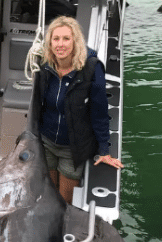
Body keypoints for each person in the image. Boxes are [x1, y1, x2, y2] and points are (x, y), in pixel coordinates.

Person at [38, 15, 123, 204]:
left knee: (64, 201)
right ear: (50, 42)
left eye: (66, 38)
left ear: (75, 41)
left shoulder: (91, 69)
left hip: (73, 148)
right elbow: (37, 106)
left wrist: (104, 150)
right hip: (46, 143)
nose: (61, 44)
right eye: (56, 38)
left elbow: (100, 113)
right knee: (49, 196)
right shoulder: (45, 66)